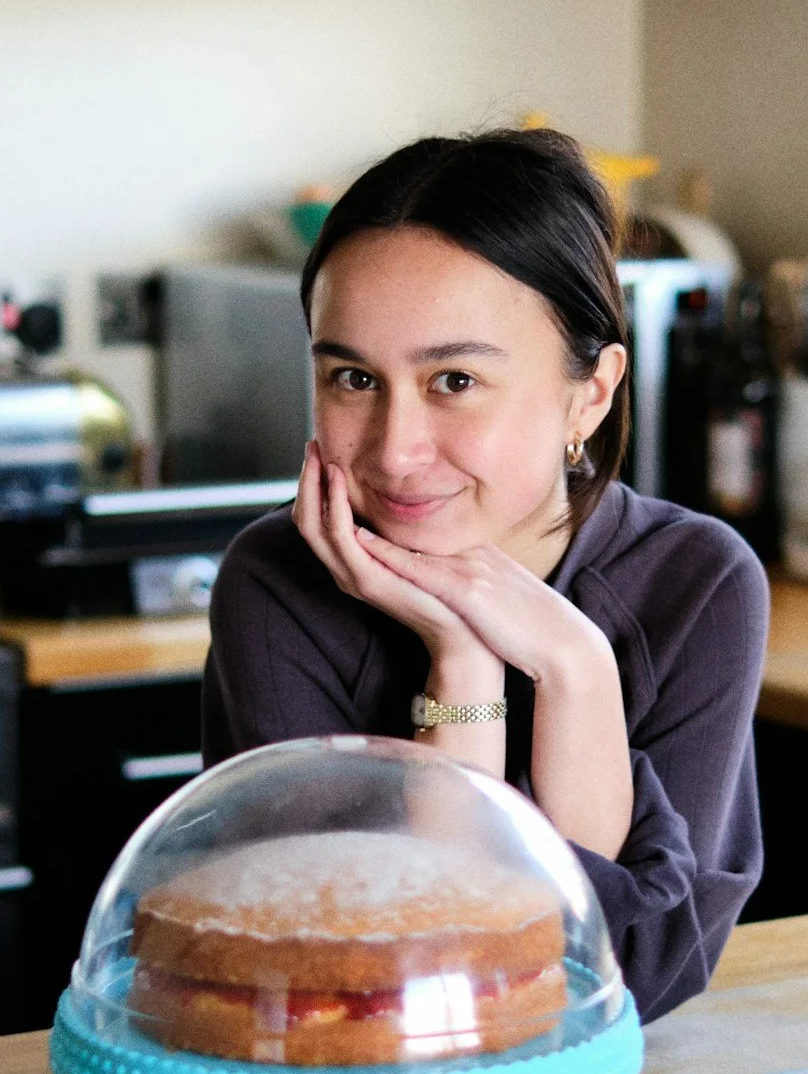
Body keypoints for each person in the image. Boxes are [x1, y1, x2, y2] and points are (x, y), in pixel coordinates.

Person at [201, 127, 767, 1023]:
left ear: (592, 391)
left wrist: (575, 667)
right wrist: (461, 660)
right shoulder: (277, 583)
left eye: (454, 381)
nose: (395, 450)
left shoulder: (697, 583)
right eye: (353, 377)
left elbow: (632, 979)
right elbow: (371, 982)